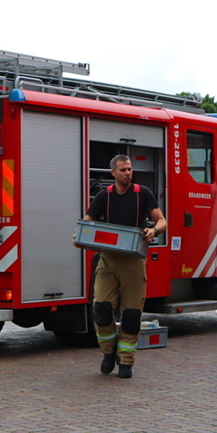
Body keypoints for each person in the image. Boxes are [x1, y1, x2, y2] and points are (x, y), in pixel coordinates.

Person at [81, 155, 167, 379]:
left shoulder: (142, 194)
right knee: (100, 310)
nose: (128, 173)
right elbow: (88, 220)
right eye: (123, 170)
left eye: (129, 169)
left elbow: (162, 220)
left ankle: (126, 361)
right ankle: (108, 353)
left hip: (133, 261)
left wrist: (154, 231)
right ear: (113, 174)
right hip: (108, 260)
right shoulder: (104, 196)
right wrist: (80, 235)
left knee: (131, 313)